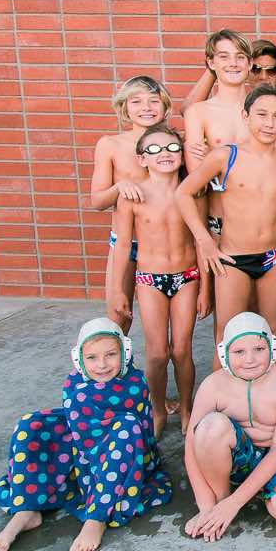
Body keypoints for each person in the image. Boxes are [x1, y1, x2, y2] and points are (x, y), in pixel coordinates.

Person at [0, 318, 172, 551]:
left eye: (110, 355)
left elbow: (143, 436)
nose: (102, 365)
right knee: (30, 424)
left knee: (127, 426)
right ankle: (26, 508)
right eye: (92, 358)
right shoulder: (74, 384)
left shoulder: (135, 383)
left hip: (124, 454)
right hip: (80, 454)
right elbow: (77, 426)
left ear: (125, 352)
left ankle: (96, 519)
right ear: (79, 359)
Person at [176, 85, 276, 372]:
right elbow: (183, 193)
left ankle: (266, 404)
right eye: (262, 114)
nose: (269, 123)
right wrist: (204, 240)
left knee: (272, 334)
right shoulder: (225, 156)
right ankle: (219, 404)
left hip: (272, 258)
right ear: (246, 116)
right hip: (232, 259)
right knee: (227, 335)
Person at [110, 124, 210, 437]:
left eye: (171, 147)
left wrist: (206, 289)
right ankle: (156, 409)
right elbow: (124, 246)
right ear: (142, 159)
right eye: (154, 149)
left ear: (181, 155)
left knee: (182, 350)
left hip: (187, 277)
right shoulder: (132, 195)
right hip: (149, 278)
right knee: (156, 352)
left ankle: (186, 407)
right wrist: (117, 290)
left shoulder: (193, 193)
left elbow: (201, 242)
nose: (164, 154)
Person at [183, 312, 276, 538]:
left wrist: (235, 503)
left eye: (258, 350)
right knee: (210, 427)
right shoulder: (212, 385)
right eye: (239, 352)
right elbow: (191, 448)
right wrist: (206, 506)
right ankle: (219, 500)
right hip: (234, 461)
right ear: (224, 354)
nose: (250, 359)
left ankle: (243, 498)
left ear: (272, 348)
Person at [87, 75, 173, 331]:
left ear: (165, 106)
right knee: (119, 314)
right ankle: (117, 370)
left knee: (166, 322)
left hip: (163, 243)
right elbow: (97, 201)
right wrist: (119, 187)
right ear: (124, 107)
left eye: (153, 101)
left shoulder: (174, 143)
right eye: (136, 101)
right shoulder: (110, 145)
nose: (146, 107)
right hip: (126, 242)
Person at [182, 30, 254, 243]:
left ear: (250, 64)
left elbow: (275, 169)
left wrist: (213, 157)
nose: (233, 63)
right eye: (224, 56)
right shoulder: (197, 112)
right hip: (219, 222)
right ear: (211, 63)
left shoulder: (263, 108)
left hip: (262, 220)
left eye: (240, 56)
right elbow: (199, 183)